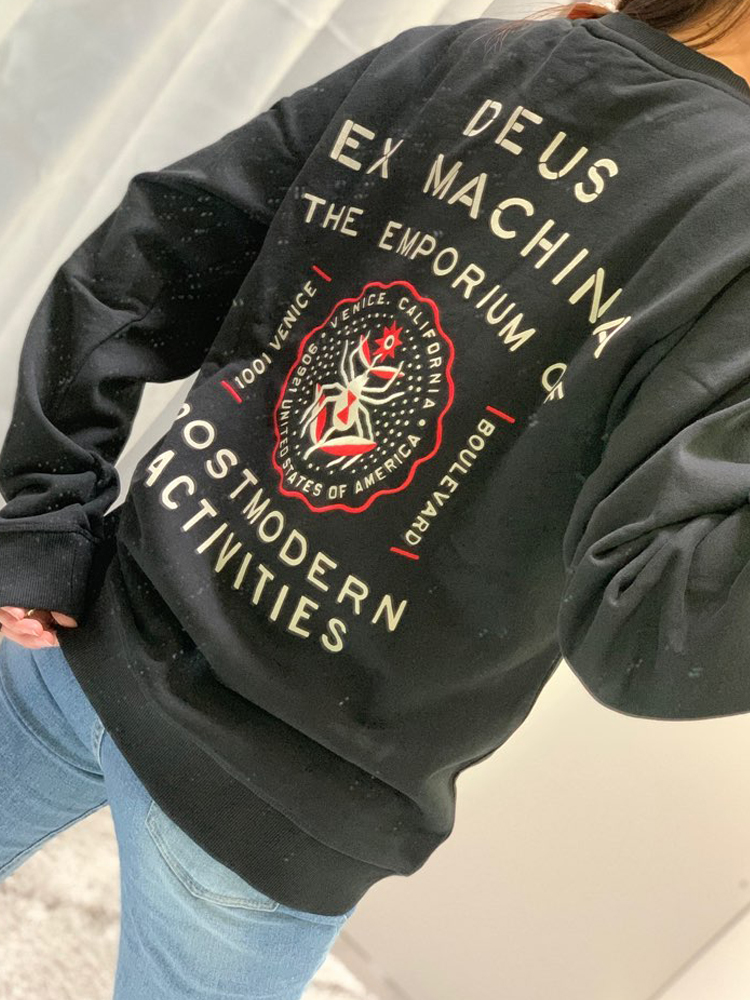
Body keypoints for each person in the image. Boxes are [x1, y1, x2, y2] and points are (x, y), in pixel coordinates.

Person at [2, 1, 750, 996]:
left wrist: (40, 515)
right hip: (290, 786)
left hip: (97, 625)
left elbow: (151, 249)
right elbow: (656, 634)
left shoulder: (467, 53)